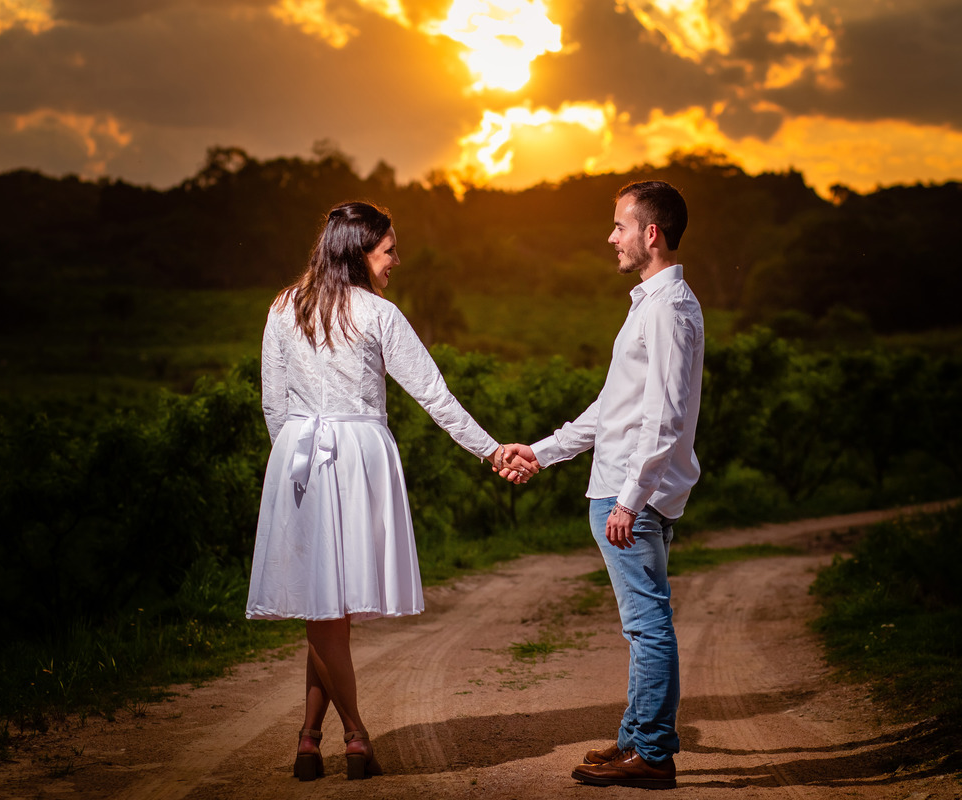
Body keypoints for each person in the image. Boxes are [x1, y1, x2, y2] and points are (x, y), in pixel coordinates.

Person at [245, 201, 535, 782]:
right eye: (388, 251)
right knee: (328, 607)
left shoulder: (283, 306)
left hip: (300, 458)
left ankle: (308, 740)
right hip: (357, 458)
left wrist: (292, 469)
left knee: (326, 607)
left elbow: (274, 404)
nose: (396, 261)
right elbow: (434, 393)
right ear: (358, 253)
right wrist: (490, 448)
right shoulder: (379, 315)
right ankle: (354, 735)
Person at [505, 180, 703, 790]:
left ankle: (651, 753)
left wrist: (628, 498)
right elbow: (611, 410)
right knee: (643, 623)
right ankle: (635, 742)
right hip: (621, 488)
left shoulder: (668, 309)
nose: (610, 236)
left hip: (630, 497)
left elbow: (665, 418)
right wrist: (539, 452)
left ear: (651, 234)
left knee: (647, 625)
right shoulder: (650, 305)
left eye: (619, 225)